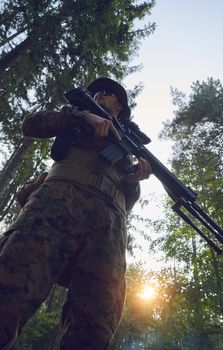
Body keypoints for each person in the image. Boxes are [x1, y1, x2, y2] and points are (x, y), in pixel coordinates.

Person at [0, 77, 152, 350]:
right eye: (100, 92)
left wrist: (135, 178)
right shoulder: (76, 116)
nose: (103, 95)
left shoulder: (127, 147)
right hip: (58, 202)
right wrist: (80, 117)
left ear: (120, 108)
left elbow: (127, 204)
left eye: (111, 96)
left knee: (95, 323)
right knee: (10, 289)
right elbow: (31, 125)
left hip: (110, 227)